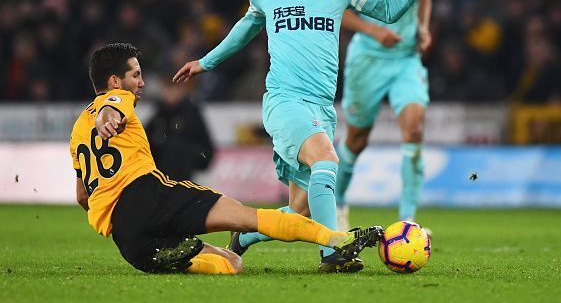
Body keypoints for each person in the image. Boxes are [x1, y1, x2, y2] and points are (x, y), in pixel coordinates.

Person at [173, 0, 434, 272]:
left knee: (301, 208)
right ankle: (333, 253)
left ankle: (244, 237)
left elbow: (386, 11)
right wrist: (206, 62)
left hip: (321, 107)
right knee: (327, 160)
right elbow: (243, 31)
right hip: (284, 100)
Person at [70, 43, 384, 275]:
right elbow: (111, 107)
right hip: (150, 197)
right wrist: (107, 116)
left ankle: (176, 253)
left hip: (128, 240)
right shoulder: (115, 101)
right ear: (114, 81)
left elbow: (83, 196)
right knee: (250, 217)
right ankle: (337, 239)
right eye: (136, 75)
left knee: (232, 264)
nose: (141, 83)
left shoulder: (76, 133)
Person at [334, 0, 436, 231]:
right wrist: (375, 32)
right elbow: (342, 11)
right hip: (369, 59)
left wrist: (422, 29)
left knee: (415, 129)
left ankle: (408, 219)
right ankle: (338, 203)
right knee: (356, 140)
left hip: (406, 60)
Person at [145, 76, 214, 181]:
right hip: (163, 166)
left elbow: (204, 145)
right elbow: (146, 138)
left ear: (182, 91)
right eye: (167, 89)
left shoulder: (191, 113)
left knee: (175, 146)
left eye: (174, 89)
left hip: (187, 166)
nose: (170, 93)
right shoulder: (160, 114)